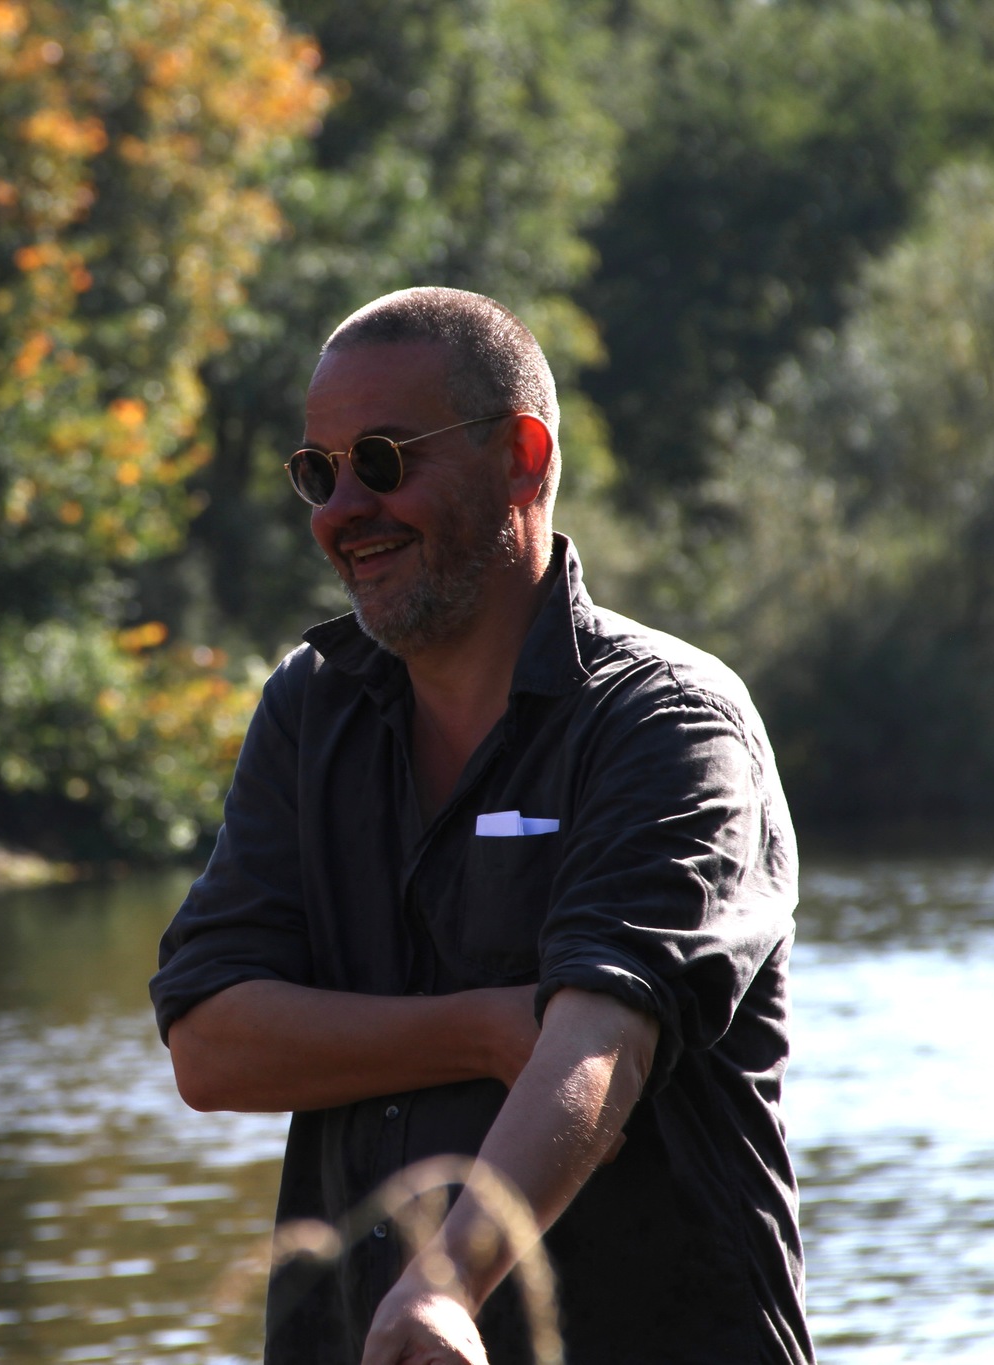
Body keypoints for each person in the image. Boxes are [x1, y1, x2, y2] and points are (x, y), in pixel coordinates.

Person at [150, 289, 810, 1365]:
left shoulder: (668, 723)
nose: (339, 509)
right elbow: (211, 1046)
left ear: (521, 455)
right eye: (316, 473)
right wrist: (481, 1027)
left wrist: (445, 1286)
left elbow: (597, 1042)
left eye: (380, 457)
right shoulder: (310, 710)